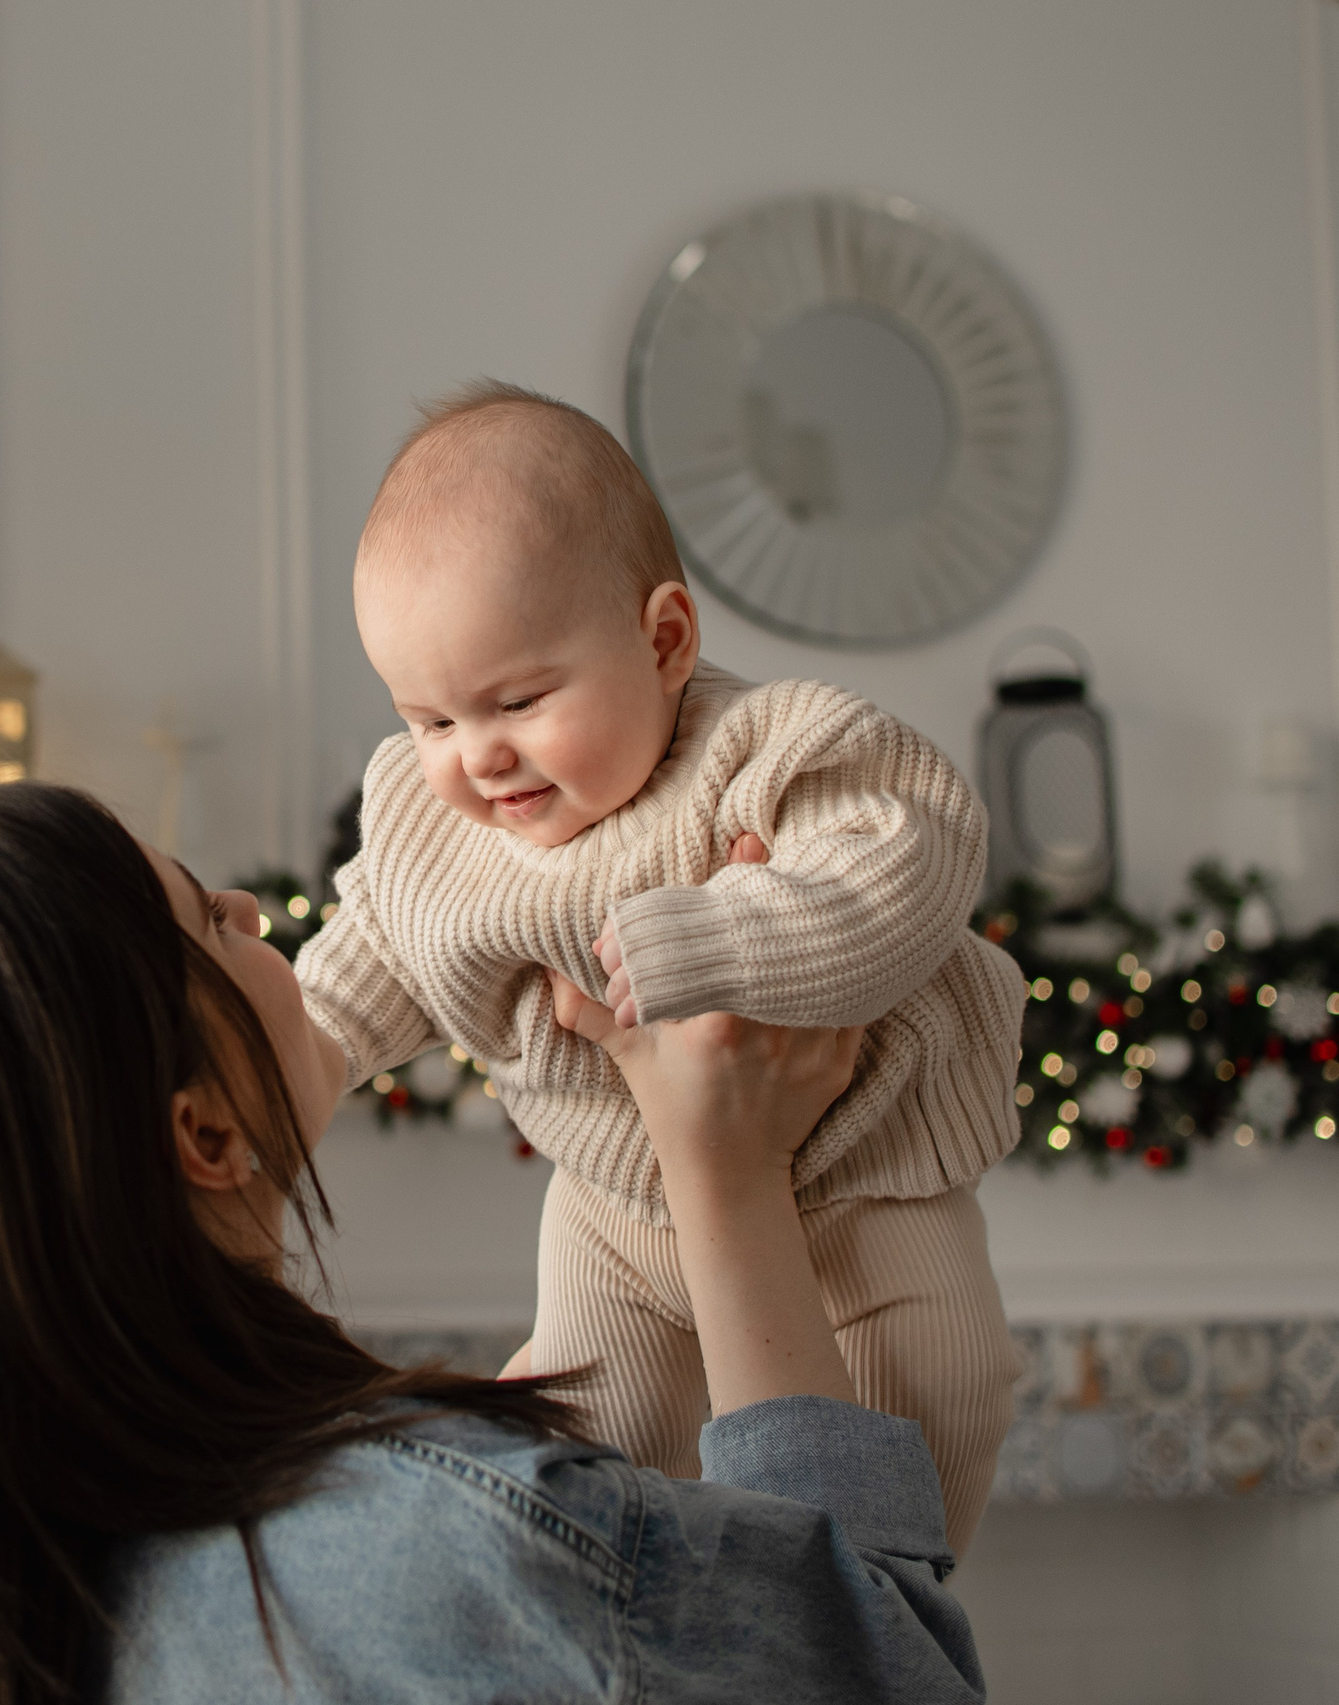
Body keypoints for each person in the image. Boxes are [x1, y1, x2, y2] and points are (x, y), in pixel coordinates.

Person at [0, 782, 988, 1703]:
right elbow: (893, 1678)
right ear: (202, 1135)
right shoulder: (445, 1549)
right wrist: (731, 1174)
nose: (254, 909)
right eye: (204, 919)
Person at [294, 379, 1024, 1550]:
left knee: (935, 1395)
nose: (476, 758)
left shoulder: (761, 747)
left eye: (518, 699)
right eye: (427, 720)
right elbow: (381, 946)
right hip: (613, 1207)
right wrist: (304, 1048)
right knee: (588, 1447)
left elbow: (913, 849)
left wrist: (726, 933)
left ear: (665, 639)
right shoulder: (435, 828)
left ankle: (875, 1625)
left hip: (861, 1182)